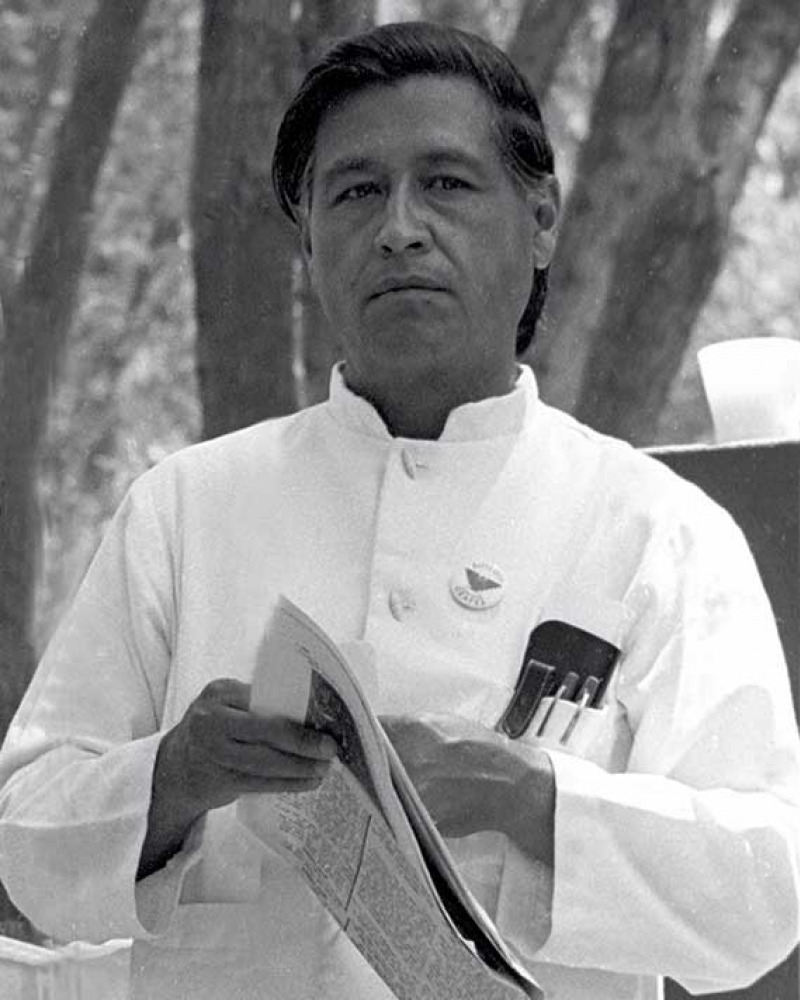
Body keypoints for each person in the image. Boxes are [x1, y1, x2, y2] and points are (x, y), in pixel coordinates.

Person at [1, 20, 798, 1000]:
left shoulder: (656, 533)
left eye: (447, 183)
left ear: (540, 215)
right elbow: (23, 837)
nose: (399, 227)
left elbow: (766, 894)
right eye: (355, 191)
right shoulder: (186, 509)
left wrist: (532, 800)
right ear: (306, 238)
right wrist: (175, 775)